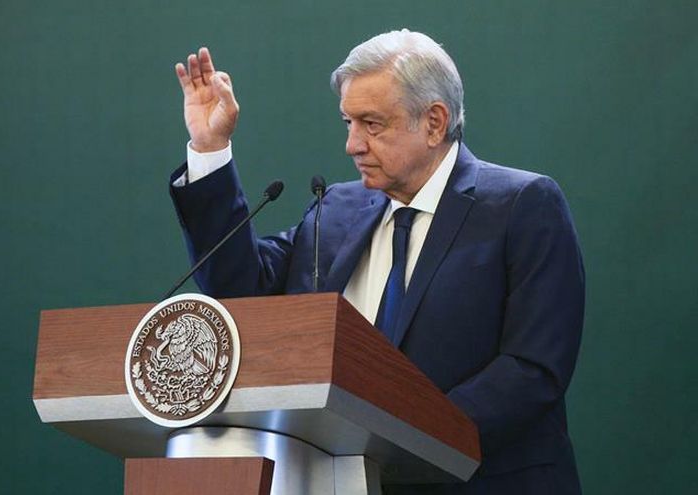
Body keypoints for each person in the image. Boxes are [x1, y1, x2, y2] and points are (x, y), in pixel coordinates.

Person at [169, 29, 584, 494]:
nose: (352, 144)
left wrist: (402, 438)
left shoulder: (521, 205)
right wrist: (210, 149)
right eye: (348, 122)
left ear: (434, 123)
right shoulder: (335, 208)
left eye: (372, 124)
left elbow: (533, 368)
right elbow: (240, 287)